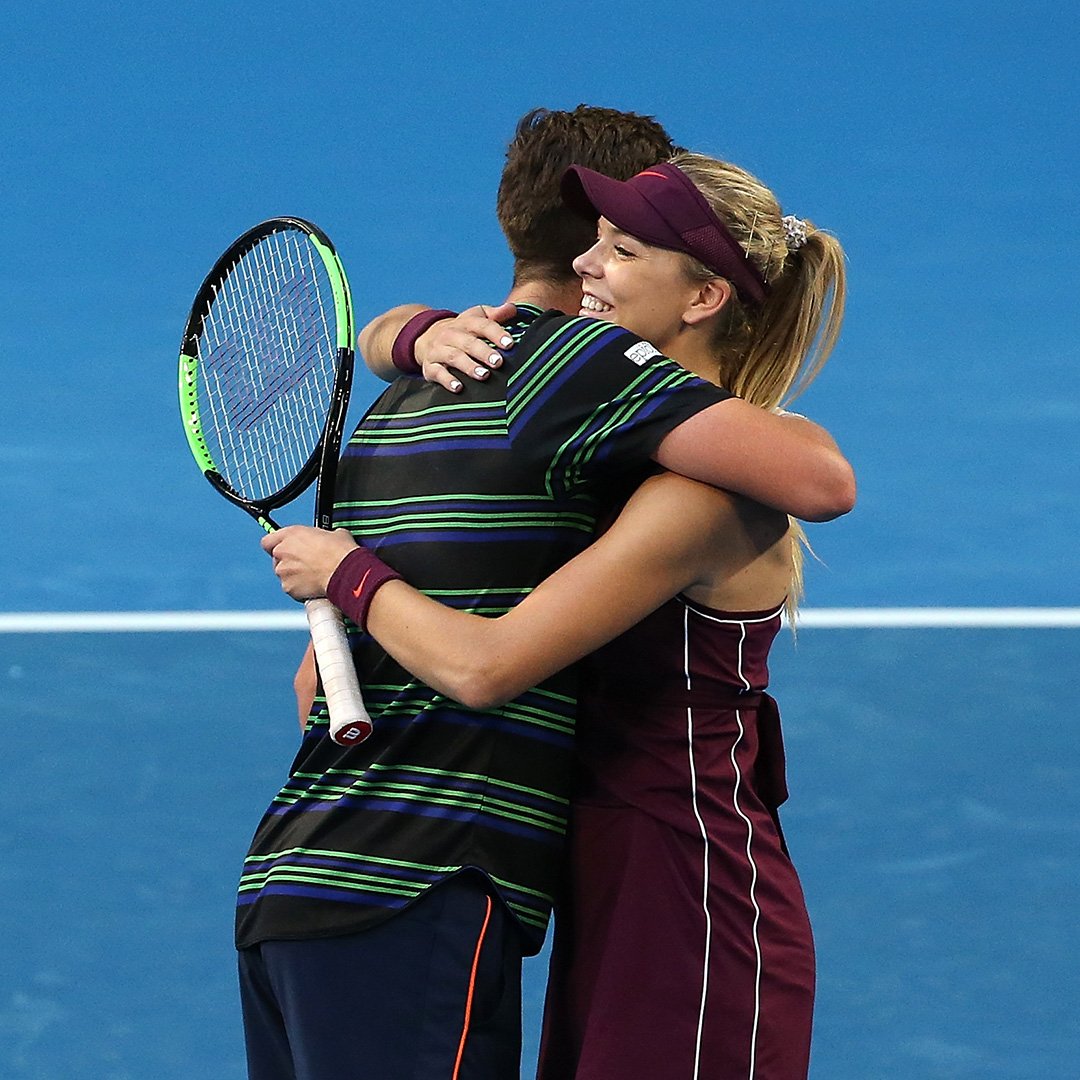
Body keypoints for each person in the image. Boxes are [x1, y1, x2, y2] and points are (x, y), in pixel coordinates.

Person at [240, 107, 854, 1080]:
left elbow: (824, 479)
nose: (590, 270)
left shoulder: (706, 477)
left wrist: (344, 574)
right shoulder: (578, 448)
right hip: (586, 864)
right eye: (594, 246)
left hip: (683, 870)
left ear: (700, 297)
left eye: (621, 251)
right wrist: (411, 333)